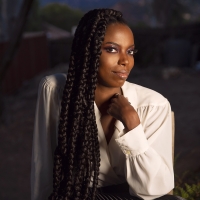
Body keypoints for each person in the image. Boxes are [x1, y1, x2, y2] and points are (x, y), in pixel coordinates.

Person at [31, 9, 185, 200]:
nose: (125, 60)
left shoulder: (153, 105)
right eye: (112, 49)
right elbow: (44, 168)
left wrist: (133, 126)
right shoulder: (55, 90)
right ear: (87, 50)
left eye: (130, 51)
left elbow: (155, 190)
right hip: (78, 195)